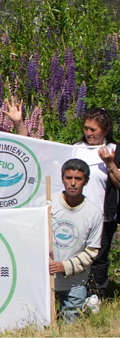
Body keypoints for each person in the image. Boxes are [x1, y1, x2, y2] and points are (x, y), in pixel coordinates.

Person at [73, 108, 120, 299]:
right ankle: (74, 293)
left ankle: (96, 296)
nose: (88, 133)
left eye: (94, 130)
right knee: (75, 254)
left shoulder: (115, 151)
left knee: (99, 258)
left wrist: (110, 164)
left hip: (103, 216)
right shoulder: (75, 148)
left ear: (106, 130)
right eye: (86, 128)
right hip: (76, 213)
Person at [50, 158, 103, 324]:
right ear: (62, 179)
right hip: (45, 280)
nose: (73, 183)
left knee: (70, 330)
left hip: (74, 283)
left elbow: (92, 251)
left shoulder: (94, 213)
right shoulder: (48, 204)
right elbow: (27, 231)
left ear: (86, 181)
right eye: (68, 178)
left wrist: (64, 267)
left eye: (78, 179)